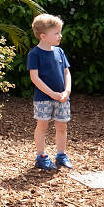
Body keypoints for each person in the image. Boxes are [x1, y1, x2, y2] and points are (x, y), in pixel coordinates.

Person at [28, 14, 72, 170]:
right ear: (43, 36)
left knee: (62, 127)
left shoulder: (60, 51)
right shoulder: (34, 54)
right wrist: (52, 94)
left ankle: (61, 155)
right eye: (57, 33)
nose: (60, 36)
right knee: (42, 127)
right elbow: (35, 78)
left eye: (60, 32)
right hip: (43, 99)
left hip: (62, 98)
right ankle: (41, 157)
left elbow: (67, 72)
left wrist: (67, 91)